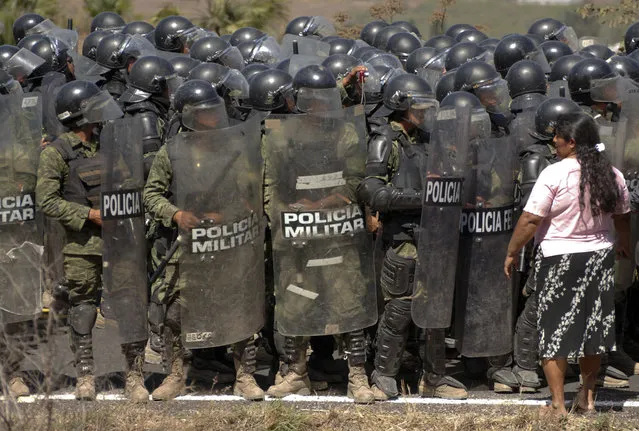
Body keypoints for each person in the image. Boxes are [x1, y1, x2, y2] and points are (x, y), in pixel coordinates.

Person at [504, 112, 631, 416]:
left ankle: (559, 404)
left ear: (571, 142)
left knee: (554, 332)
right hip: (599, 259)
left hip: (560, 259)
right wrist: (624, 242)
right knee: (592, 332)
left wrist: (511, 251)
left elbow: (532, 219)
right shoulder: (612, 174)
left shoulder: (554, 173)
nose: (553, 143)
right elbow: (624, 214)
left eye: (557, 138)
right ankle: (586, 398)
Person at [36, 80, 149, 402]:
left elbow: (129, 184)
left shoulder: (112, 145)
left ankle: (134, 376)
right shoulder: (58, 153)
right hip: (82, 246)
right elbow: (47, 200)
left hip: (121, 244)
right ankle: (85, 375)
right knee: (83, 307)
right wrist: (88, 215)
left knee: (129, 306)